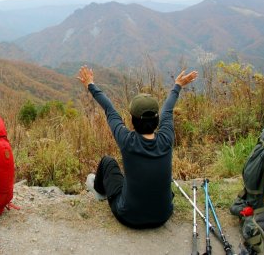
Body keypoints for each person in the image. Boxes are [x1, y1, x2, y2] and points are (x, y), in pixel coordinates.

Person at [78, 65, 198, 228]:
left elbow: (110, 109)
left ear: (133, 121)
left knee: (108, 162)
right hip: (163, 215)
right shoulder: (166, 138)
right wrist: (177, 85)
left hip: (129, 217)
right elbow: (168, 110)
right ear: (157, 121)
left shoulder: (127, 140)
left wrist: (90, 84)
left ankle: (99, 191)